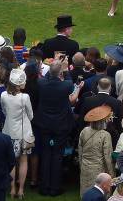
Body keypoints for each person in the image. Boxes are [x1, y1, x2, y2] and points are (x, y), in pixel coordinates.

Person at [34, 59, 81, 196]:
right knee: (57, 156)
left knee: (46, 154)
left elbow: (47, 76)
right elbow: (71, 84)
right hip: (60, 125)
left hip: (45, 124)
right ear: (60, 73)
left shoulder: (41, 83)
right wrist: (65, 70)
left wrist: (58, 68)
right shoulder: (65, 84)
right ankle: (54, 188)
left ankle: (44, 187)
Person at [0, 68, 34, 198]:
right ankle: (20, 190)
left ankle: (13, 188)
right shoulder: (25, 97)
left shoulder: (3, 95)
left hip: (8, 131)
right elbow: (30, 115)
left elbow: (4, 111)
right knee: (24, 161)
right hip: (23, 133)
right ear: (19, 85)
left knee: (11, 162)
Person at [78, 105, 114, 196]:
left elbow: (80, 150)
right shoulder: (105, 135)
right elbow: (107, 157)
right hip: (99, 170)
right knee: (98, 193)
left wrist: (81, 164)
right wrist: (111, 174)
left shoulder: (84, 131)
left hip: (85, 167)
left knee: (86, 192)